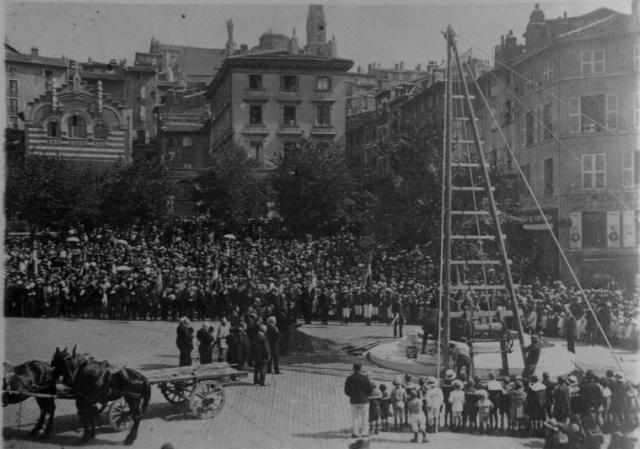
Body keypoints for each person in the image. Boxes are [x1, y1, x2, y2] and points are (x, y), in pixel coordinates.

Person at [344, 363, 374, 438]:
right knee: (364, 417)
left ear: (353, 369)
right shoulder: (365, 378)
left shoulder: (350, 378)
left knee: (355, 417)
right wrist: (367, 395)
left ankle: (355, 433)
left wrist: (351, 395)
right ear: (361, 369)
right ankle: (364, 432)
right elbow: (370, 389)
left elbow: (346, 390)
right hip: (364, 400)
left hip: (354, 400)